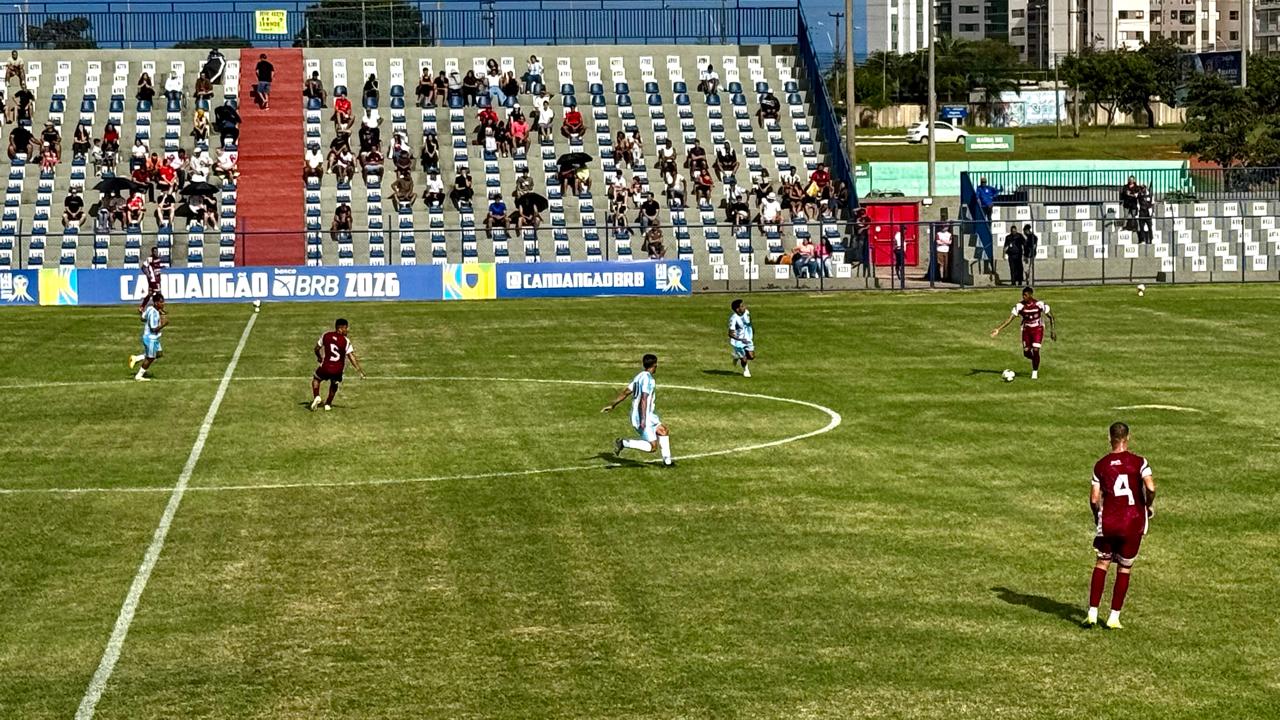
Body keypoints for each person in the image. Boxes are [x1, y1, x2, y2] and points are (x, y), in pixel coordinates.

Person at [1083, 421, 1157, 630]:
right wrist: (1148, 505)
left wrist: (1096, 516)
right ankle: (1114, 616)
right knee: (1125, 568)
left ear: (1110, 438)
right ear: (1128, 438)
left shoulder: (1101, 465)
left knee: (1101, 563)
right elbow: (1150, 487)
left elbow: (1094, 499)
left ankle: (1092, 612)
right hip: (1133, 521)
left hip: (1109, 521)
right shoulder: (1139, 462)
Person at [602, 353, 675, 467]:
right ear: (654, 365)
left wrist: (613, 405)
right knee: (652, 447)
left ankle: (668, 462)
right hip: (642, 416)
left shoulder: (639, 376)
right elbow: (644, 399)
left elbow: (626, 392)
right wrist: (643, 420)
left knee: (663, 431)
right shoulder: (648, 380)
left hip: (648, 415)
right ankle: (623, 443)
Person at [990, 286, 1057, 380]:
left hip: (1038, 329)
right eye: (1023, 295)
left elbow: (1051, 317)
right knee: (1026, 352)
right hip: (1026, 330)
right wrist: (998, 329)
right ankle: (1035, 360)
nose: (1023, 297)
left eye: (1025, 295)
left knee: (1036, 349)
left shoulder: (1039, 304)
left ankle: (1035, 372)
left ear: (1030, 295)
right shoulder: (1020, 306)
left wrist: (1052, 331)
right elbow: (1010, 319)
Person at [310, 318, 366, 412]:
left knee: (316, 379)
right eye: (345, 328)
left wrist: (319, 357)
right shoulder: (346, 341)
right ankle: (328, 404)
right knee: (334, 384)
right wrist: (359, 370)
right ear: (340, 328)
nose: (347, 330)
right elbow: (351, 356)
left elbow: (316, 349)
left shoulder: (326, 335)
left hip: (326, 366)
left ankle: (317, 396)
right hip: (337, 369)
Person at [128, 293, 168, 382]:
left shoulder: (150, 308)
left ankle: (136, 358)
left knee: (159, 354)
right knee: (150, 358)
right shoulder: (154, 313)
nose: (163, 304)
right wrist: (163, 324)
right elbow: (153, 329)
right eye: (161, 302)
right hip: (151, 338)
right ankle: (138, 376)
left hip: (153, 338)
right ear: (156, 303)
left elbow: (142, 318)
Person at [728, 298, 754, 377]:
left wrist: (751, 333)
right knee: (744, 359)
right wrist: (740, 339)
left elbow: (749, 323)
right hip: (738, 342)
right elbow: (730, 334)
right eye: (742, 306)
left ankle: (737, 355)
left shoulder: (747, 312)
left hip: (747, 338)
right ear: (737, 309)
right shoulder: (733, 319)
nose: (745, 307)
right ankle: (746, 370)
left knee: (751, 356)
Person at [138, 247, 163, 312]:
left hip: (157, 278)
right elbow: (143, 267)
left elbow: (156, 266)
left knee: (150, 293)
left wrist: (161, 267)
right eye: (154, 251)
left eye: (156, 251)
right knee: (158, 293)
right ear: (152, 252)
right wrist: (148, 274)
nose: (156, 253)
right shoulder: (150, 258)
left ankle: (142, 307)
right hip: (153, 279)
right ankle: (159, 309)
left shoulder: (158, 258)